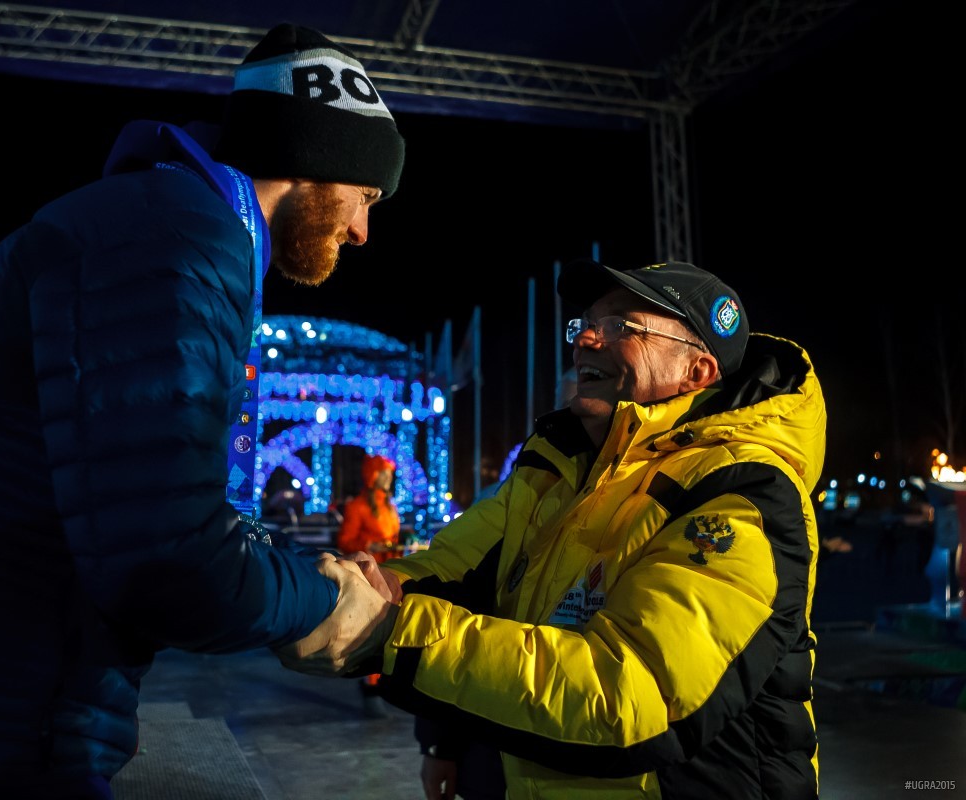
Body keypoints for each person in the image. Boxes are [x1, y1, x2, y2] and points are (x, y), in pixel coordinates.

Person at [0, 22, 405, 800]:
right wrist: (331, 606)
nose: (362, 230)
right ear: (314, 157)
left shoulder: (156, 224)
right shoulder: (173, 243)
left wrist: (301, 570)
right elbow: (165, 560)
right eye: (365, 196)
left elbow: (149, 507)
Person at [278, 258, 827, 800]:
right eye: (585, 324)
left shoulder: (745, 493)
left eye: (620, 326)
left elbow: (626, 697)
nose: (585, 338)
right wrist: (366, 589)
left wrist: (388, 632)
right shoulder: (555, 468)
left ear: (696, 372)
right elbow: (450, 573)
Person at [413, 367, 579, 799]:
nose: (578, 412)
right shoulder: (516, 494)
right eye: (568, 400)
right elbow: (453, 594)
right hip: (492, 746)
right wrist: (439, 743)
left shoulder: (656, 498)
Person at [336, 453, 401, 717]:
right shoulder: (358, 506)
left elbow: (392, 535)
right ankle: (370, 687)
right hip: (370, 575)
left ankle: (384, 684)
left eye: (390, 474)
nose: (389, 479)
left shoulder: (389, 506)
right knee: (374, 629)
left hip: (392, 572)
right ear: (373, 476)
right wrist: (369, 546)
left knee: (392, 629)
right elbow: (345, 540)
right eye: (384, 474)